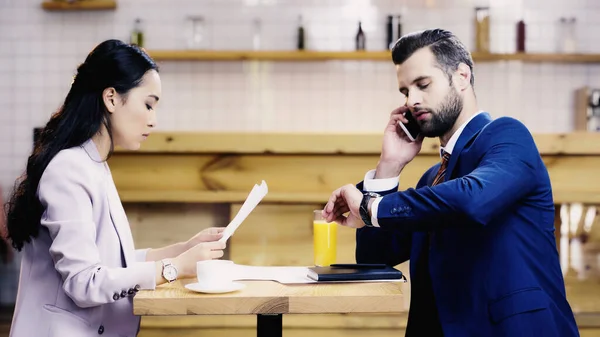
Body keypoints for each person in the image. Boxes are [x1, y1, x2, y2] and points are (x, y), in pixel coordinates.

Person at [322, 29, 579, 337]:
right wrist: (388, 167)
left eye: (423, 84)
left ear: (461, 76)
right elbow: (376, 256)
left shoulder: (507, 136)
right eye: (405, 91)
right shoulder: (432, 179)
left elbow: (472, 200)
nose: (412, 100)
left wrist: (368, 206)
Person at [5, 39, 227, 337]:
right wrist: (173, 267)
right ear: (111, 98)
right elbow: (85, 282)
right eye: (148, 104)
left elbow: (111, 262)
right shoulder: (68, 169)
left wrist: (183, 249)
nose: (154, 120)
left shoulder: (93, 164)